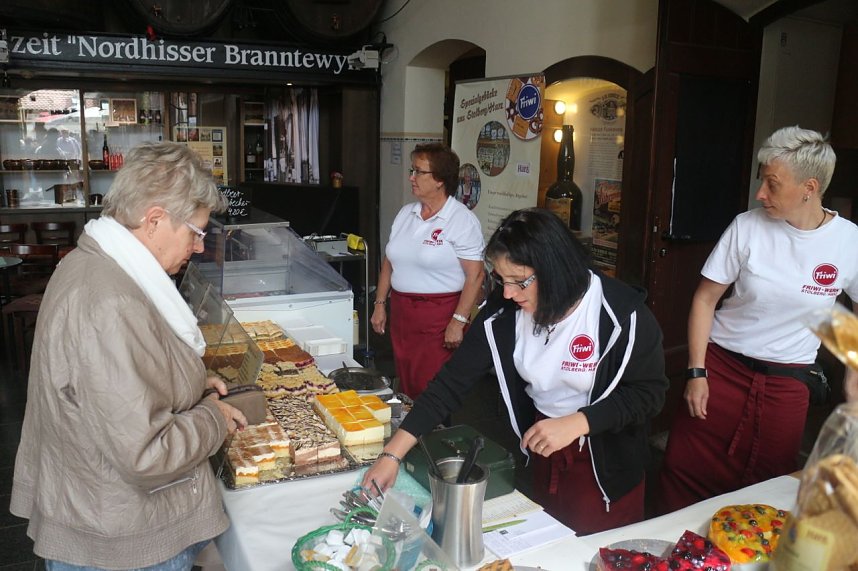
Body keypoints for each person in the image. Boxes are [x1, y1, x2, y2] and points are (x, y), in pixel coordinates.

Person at [10, 142, 248, 570]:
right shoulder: (110, 302)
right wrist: (213, 418)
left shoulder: (94, 263)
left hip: (97, 511)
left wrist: (191, 384)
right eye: (195, 232)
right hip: (120, 540)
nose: (198, 247)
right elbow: (146, 453)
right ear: (154, 220)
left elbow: (115, 387)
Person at [363, 208, 668, 535]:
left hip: (606, 465)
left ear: (555, 269)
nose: (508, 293)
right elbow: (449, 385)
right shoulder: (505, 312)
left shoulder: (621, 315)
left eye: (519, 282)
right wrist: (392, 456)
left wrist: (579, 422)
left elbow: (648, 394)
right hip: (543, 449)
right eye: (501, 280)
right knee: (547, 540)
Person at [658, 126, 858, 514]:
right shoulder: (747, 227)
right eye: (762, 180)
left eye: (772, 184)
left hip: (787, 385)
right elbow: (705, 299)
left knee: (769, 489)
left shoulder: (848, 241)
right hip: (721, 372)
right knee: (684, 473)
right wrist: (696, 372)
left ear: (809, 187)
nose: (760, 194)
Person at [371, 143, 484, 400]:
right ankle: (409, 425)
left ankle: (429, 426)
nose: (412, 177)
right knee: (407, 380)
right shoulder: (406, 213)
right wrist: (380, 303)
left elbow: (476, 276)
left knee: (432, 388)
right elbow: (390, 261)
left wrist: (458, 321)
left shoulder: (461, 220)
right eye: (412, 170)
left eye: (419, 172)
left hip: (438, 317)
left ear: (440, 180)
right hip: (403, 314)